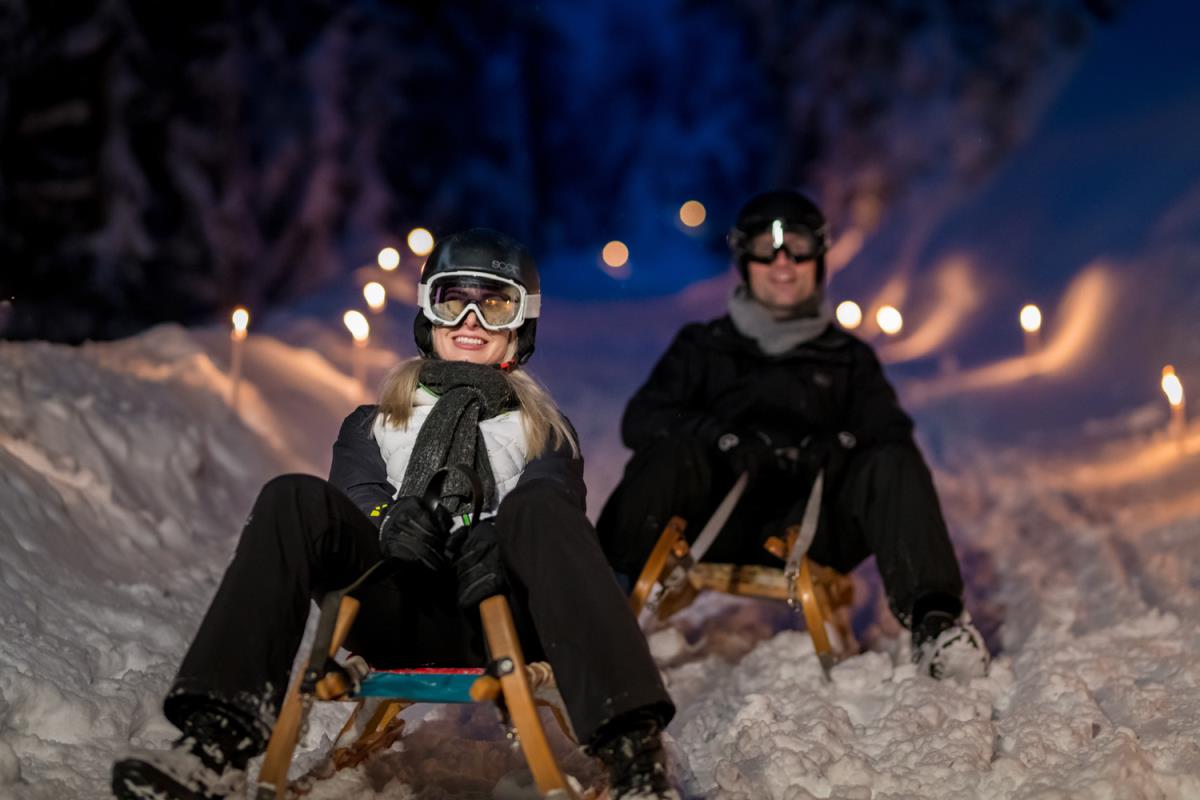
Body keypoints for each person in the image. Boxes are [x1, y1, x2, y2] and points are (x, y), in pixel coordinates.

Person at [112, 229, 679, 800]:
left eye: (496, 304)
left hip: (502, 616)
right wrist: (389, 521)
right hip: (397, 612)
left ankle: (632, 752)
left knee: (537, 507)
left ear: (521, 322)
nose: (471, 321)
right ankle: (214, 746)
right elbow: (355, 495)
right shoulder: (372, 422)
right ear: (428, 313)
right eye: (454, 301)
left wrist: (499, 540)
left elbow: (552, 505)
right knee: (293, 496)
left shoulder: (545, 432)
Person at [596, 190, 989, 681]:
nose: (783, 262)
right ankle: (594, 607)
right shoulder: (704, 347)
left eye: (798, 247)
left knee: (891, 459)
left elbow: (888, 431)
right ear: (745, 260)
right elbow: (642, 418)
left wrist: (836, 448)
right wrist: (721, 438)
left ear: (818, 260)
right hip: (716, 515)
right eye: (767, 247)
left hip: (814, 524)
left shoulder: (848, 359)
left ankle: (937, 624)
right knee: (670, 450)